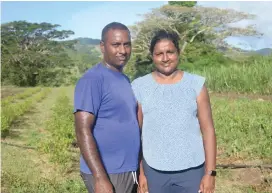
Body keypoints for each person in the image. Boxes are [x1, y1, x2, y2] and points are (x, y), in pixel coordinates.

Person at [132, 30, 217, 193]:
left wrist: (210, 173)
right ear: (152, 56)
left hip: (192, 171)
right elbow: (137, 134)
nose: (165, 58)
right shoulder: (139, 87)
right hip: (154, 171)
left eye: (170, 52)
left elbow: (208, 130)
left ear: (178, 52)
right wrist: (141, 172)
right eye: (159, 54)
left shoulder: (196, 85)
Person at [74, 22, 140, 193]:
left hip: (128, 168)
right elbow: (83, 130)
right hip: (108, 172)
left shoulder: (124, 79)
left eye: (127, 44)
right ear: (102, 47)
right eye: (116, 45)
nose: (123, 50)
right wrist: (100, 178)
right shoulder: (93, 79)